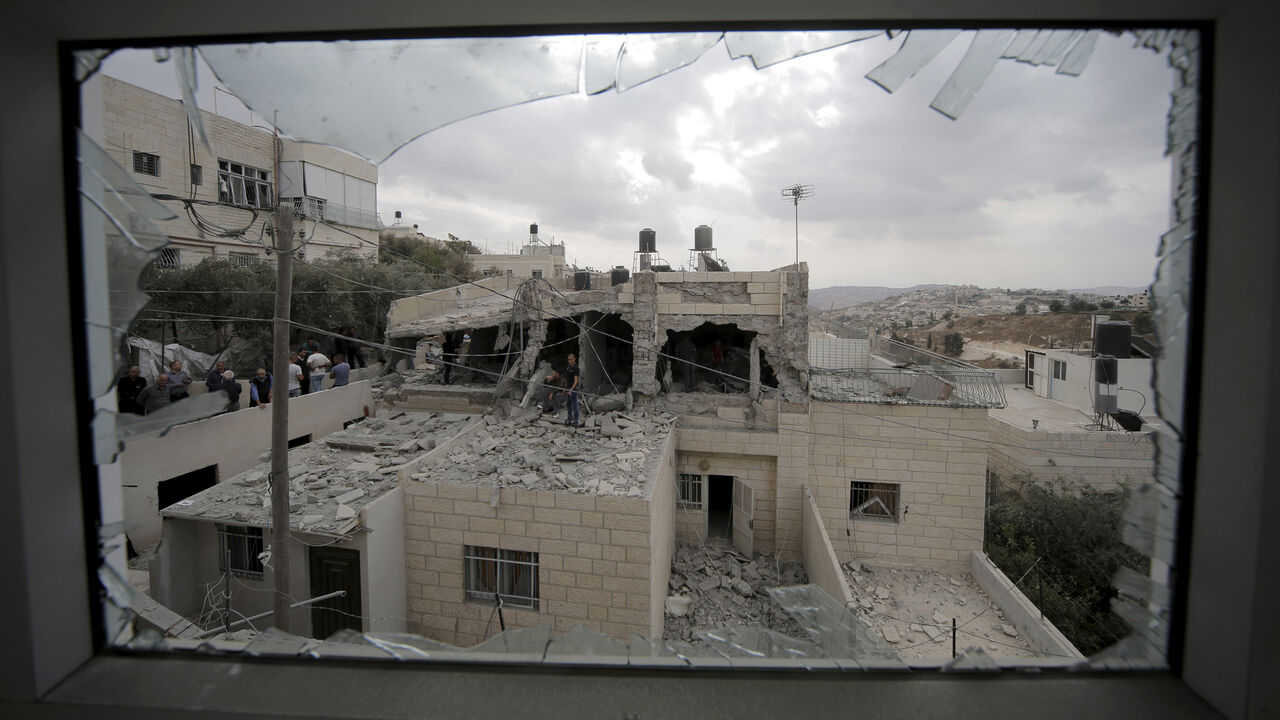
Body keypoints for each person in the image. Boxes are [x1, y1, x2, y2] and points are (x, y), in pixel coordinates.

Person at [563, 353, 581, 427]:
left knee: (575, 405)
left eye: (571, 359)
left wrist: (571, 389)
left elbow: (576, 380)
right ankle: (569, 419)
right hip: (568, 388)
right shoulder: (568, 367)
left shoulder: (576, 368)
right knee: (568, 405)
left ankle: (576, 421)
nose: (569, 361)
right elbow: (567, 379)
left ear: (574, 359)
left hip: (573, 388)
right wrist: (565, 388)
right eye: (568, 359)